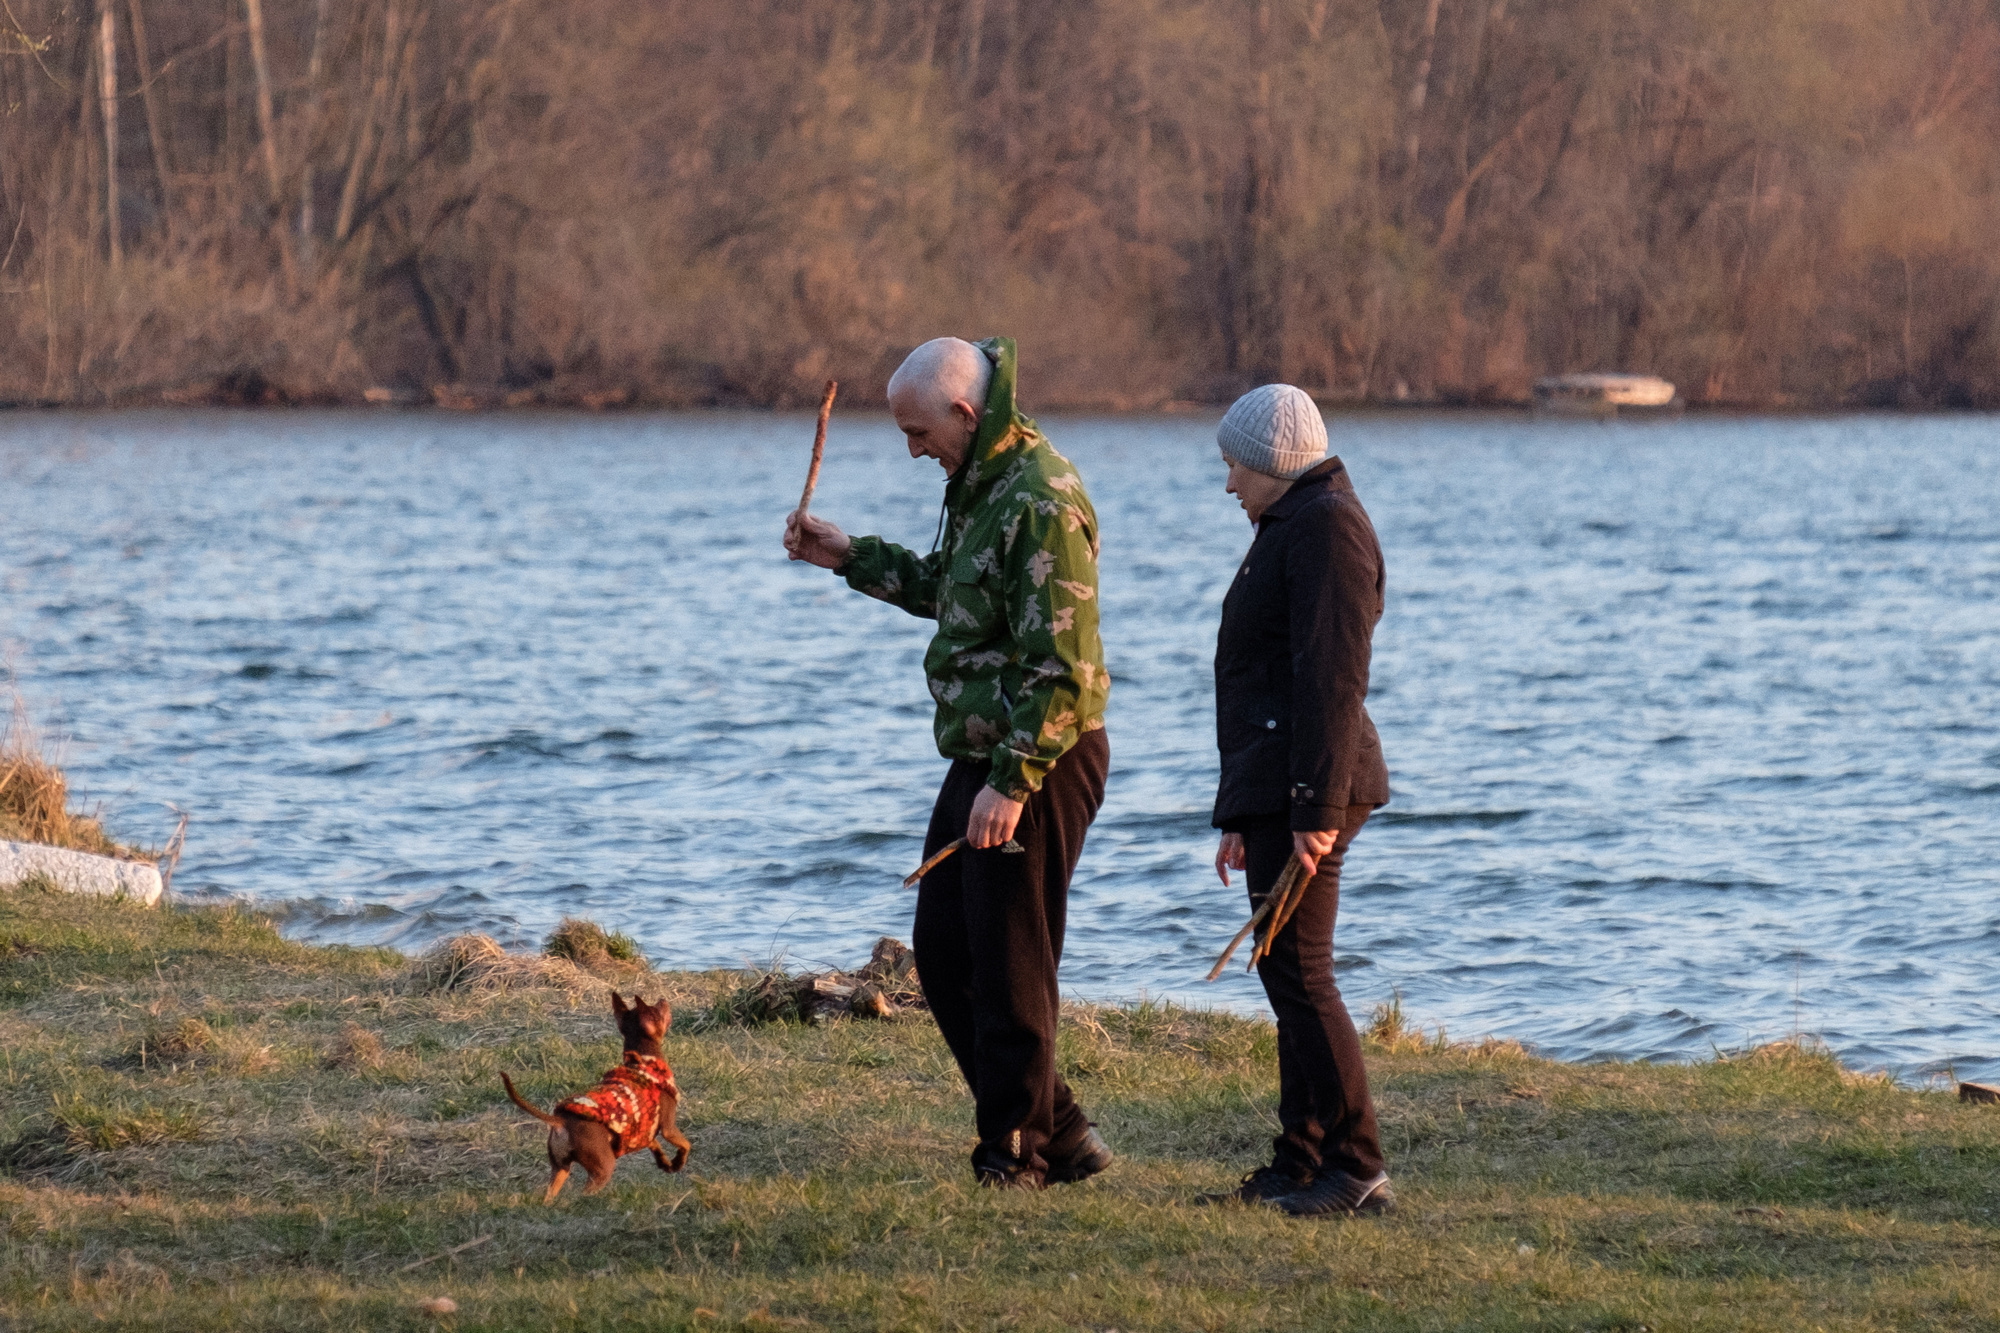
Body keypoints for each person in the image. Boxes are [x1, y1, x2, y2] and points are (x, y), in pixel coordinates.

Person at [783, 336, 1113, 1190]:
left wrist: (1012, 779)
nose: (913, 449)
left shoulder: (1040, 497)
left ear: (965, 413)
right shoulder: (979, 483)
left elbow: (1064, 666)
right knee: (943, 949)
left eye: (919, 432)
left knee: (1008, 959)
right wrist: (850, 556)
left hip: (1037, 751)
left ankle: (1018, 1151)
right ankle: (1062, 1128)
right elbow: (950, 587)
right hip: (983, 748)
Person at [1207, 383, 1394, 1217]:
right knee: (1285, 972)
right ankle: (1301, 1158)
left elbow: (1331, 681)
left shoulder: (1327, 528)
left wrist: (1314, 809)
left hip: (1315, 785)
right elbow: (1270, 676)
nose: (1228, 485)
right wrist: (1250, 812)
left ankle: (1357, 1167)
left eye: (1234, 467)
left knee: (1301, 973)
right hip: (1283, 787)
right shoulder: (1292, 522)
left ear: (1273, 465)